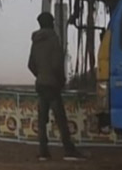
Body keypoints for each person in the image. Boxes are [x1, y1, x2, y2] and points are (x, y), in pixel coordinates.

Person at [28, 12, 84, 161]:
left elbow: (31, 64)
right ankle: (68, 150)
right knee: (60, 119)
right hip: (52, 85)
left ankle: (43, 152)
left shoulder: (35, 41)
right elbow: (57, 64)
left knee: (42, 120)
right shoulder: (54, 39)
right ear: (50, 23)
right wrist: (60, 80)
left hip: (40, 84)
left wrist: (40, 75)